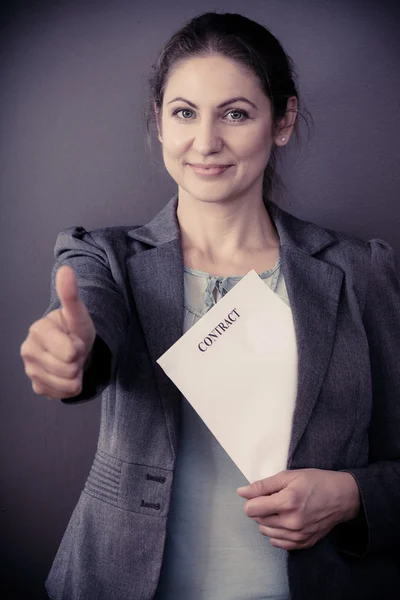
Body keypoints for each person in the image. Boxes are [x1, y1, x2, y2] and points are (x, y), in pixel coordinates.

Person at [20, 11, 400, 600]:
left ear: (282, 121)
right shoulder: (104, 258)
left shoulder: (362, 272)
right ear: (160, 121)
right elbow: (90, 331)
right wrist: (71, 356)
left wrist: (351, 496)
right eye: (184, 113)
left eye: (236, 113)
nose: (205, 142)